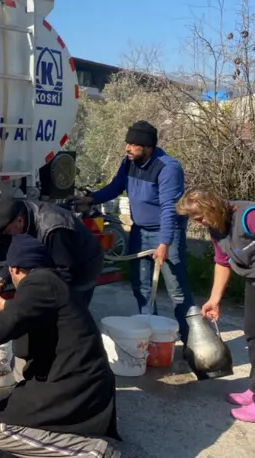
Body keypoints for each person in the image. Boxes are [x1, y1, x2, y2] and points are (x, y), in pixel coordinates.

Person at [0, 234, 120, 458]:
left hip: (77, 387)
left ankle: (93, 452)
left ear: (16, 270)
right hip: (77, 377)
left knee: (2, 431)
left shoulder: (39, 283)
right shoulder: (50, 280)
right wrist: (9, 305)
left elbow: (8, 324)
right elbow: (31, 311)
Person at [176, 189, 255, 424]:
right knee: (253, 334)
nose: (197, 222)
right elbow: (222, 262)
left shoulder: (252, 218)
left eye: (199, 216)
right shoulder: (216, 228)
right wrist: (214, 299)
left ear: (212, 208)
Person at [74, 120, 194, 344]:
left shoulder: (168, 168)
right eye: (127, 143)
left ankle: (192, 343)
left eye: (133, 144)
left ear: (148, 147)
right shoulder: (129, 162)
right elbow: (116, 186)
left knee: (177, 291)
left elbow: (169, 207)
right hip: (140, 230)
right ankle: (151, 340)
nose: (127, 148)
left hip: (166, 233)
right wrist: (91, 200)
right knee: (142, 287)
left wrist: (165, 243)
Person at [0, 197, 105, 309]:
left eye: (7, 231)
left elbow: (66, 274)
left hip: (82, 269)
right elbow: (14, 259)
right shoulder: (22, 217)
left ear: (19, 221)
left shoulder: (54, 228)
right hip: (62, 262)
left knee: (70, 314)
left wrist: (34, 299)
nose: (8, 235)